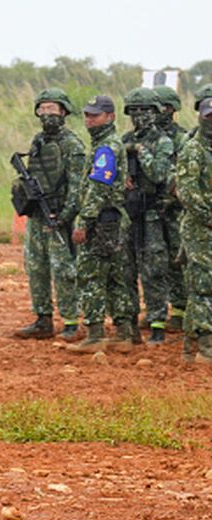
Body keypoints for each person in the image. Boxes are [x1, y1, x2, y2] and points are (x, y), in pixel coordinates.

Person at [14, 88, 85, 340]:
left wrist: (64, 217)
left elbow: (77, 188)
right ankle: (42, 319)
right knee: (36, 267)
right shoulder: (38, 141)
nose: (46, 114)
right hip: (37, 216)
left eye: (52, 108)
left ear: (64, 111)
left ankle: (70, 322)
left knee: (63, 270)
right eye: (42, 109)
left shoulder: (72, 145)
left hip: (59, 216)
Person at [66, 95, 135, 354]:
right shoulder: (109, 144)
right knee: (116, 277)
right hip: (113, 219)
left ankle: (95, 334)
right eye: (87, 115)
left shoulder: (106, 147)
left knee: (91, 275)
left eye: (95, 115)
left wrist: (83, 221)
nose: (89, 120)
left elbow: (98, 187)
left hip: (101, 220)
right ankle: (123, 333)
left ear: (110, 117)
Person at [120, 87, 175, 344]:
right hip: (128, 211)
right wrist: (124, 179)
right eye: (135, 111)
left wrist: (140, 151)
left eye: (146, 110)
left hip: (152, 213)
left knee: (154, 269)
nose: (140, 115)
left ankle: (157, 324)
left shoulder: (162, 141)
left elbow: (159, 174)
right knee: (126, 267)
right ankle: (129, 322)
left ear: (155, 112)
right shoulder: (124, 140)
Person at [175, 96, 212, 364]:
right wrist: (209, 217)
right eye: (209, 116)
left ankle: (190, 348)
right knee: (202, 285)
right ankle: (204, 345)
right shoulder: (193, 149)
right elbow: (186, 192)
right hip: (200, 228)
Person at [153, 85, 188, 333]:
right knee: (155, 261)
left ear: (173, 109)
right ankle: (158, 310)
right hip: (152, 208)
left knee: (178, 260)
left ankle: (180, 310)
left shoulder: (183, 139)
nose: (158, 112)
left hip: (177, 209)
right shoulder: (148, 137)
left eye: (163, 107)